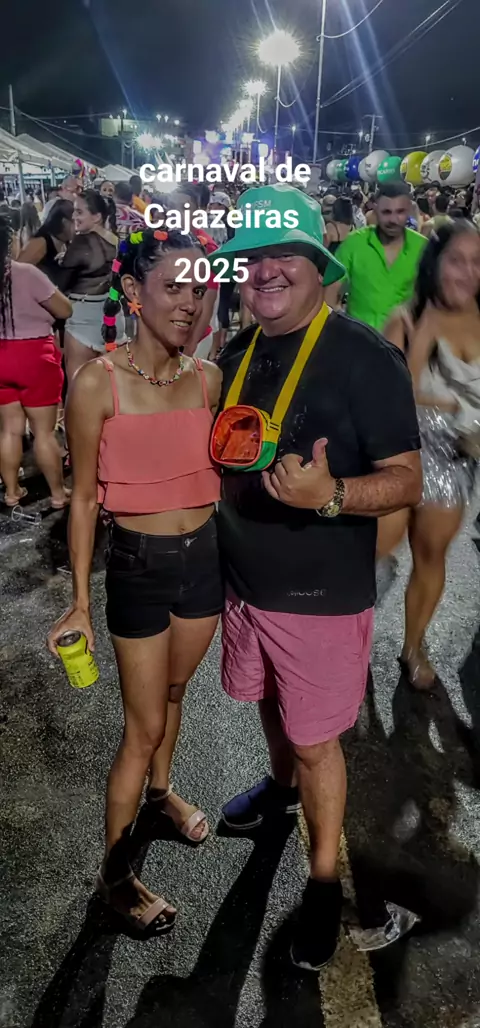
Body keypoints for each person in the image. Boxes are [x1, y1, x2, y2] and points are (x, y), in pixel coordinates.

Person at [210, 184, 422, 970]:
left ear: (317, 263)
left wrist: (329, 496)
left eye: (282, 256)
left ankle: (325, 882)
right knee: (270, 707)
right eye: (250, 259)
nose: (264, 271)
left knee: (316, 742)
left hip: (319, 598)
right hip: (243, 581)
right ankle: (279, 790)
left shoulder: (364, 358)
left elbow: (406, 479)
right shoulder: (237, 353)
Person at [47, 227, 223, 934]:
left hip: (205, 561)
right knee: (142, 726)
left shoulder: (208, 378)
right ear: (133, 291)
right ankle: (115, 877)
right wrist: (80, 603)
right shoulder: (98, 382)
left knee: (175, 695)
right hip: (139, 567)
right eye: (172, 286)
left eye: (198, 288)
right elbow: (84, 500)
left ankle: (160, 795)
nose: (188, 302)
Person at [379, 221, 480, 688]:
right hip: (399, 455)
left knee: (431, 556)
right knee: (374, 554)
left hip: (455, 464)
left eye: (476, 262)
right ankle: (344, 645)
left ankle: (413, 646)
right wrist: (421, 340)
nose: (467, 272)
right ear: (435, 263)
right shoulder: (407, 318)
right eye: (457, 260)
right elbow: (381, 396)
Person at [0, 214, 72, 507]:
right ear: (9, 242)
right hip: (34, 357)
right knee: (43, 432)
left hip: (1, 356)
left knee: (9, 429)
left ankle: (12, 492)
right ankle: (57, 494)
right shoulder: (26, 274)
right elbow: (65, 310)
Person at [325, 182, 427, 331]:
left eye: (400, 212)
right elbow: (329, 294)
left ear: (408, 211)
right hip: (359, 339)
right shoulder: (353, 244)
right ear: (375, 210)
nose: (393, 220)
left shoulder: (423, 247)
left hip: (405, 341)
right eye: (386, 212)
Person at [55, 190, 123, 381]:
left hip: (82, 320)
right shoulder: (117, 241)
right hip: (113, 319)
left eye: (79, 212)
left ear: (97, 216)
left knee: (78, 387)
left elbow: (61, 285)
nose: (73, 217)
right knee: (111, 389)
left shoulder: (82, 242)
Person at [18, 200, 74, 285]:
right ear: (65, 223)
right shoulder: (40, 243)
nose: (78, 227)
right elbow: (17, 272)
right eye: (76, 222)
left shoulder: (66, 242)